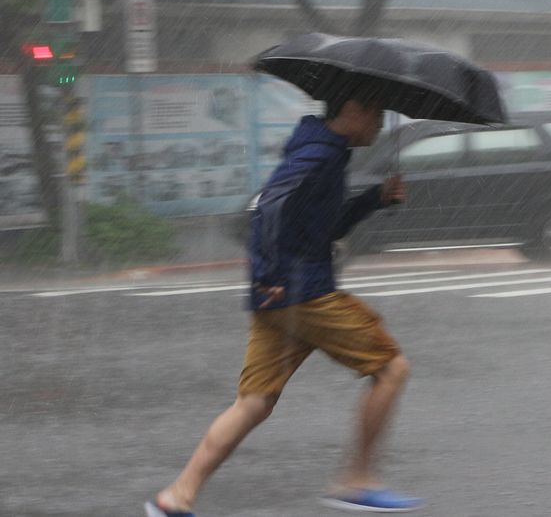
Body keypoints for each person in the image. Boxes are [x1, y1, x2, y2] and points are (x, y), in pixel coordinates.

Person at [146, 85, 421, 516]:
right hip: (303, 292)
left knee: (254, 402)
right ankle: (357, 479)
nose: (380, 123)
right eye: (376, 114)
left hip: (279, 296)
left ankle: (176, 497)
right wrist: (271, 272)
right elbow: (270, 206)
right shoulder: (322, 155)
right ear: (353, 107)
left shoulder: (323, 150)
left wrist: (375, 199)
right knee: (392, 369)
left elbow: (322, 228)